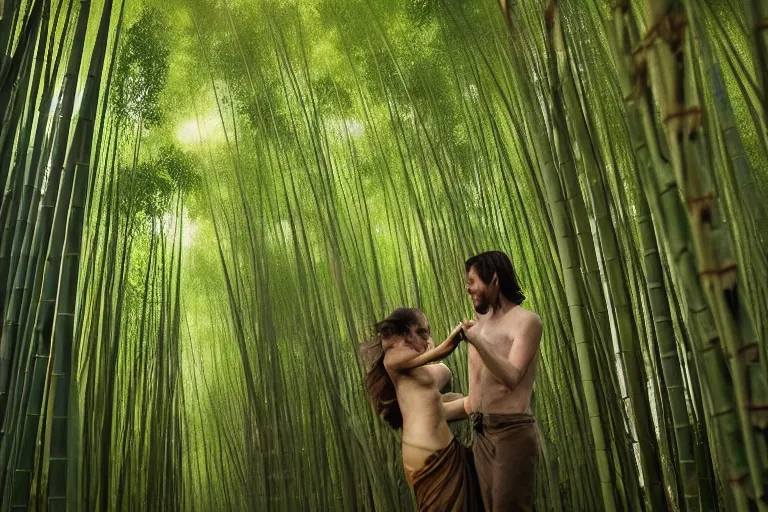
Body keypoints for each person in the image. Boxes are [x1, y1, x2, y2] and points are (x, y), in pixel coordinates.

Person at [444, 251, 543, 512]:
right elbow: (476, 394)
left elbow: (511, 377)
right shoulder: (479, 324)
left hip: (511, 433)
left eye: (472, 281)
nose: (468, 289)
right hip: (480, 432)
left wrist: (478, 341)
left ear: (494, 279)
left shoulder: (526, 322)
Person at [360, 307, 484, 512]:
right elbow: (444, 350)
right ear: (406, 333)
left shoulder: (418, 379)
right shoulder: (393, 355)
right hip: (427, 460)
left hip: (445, 453)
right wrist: (459, 334)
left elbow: (458, 402)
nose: (427, 340)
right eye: (422, 332)